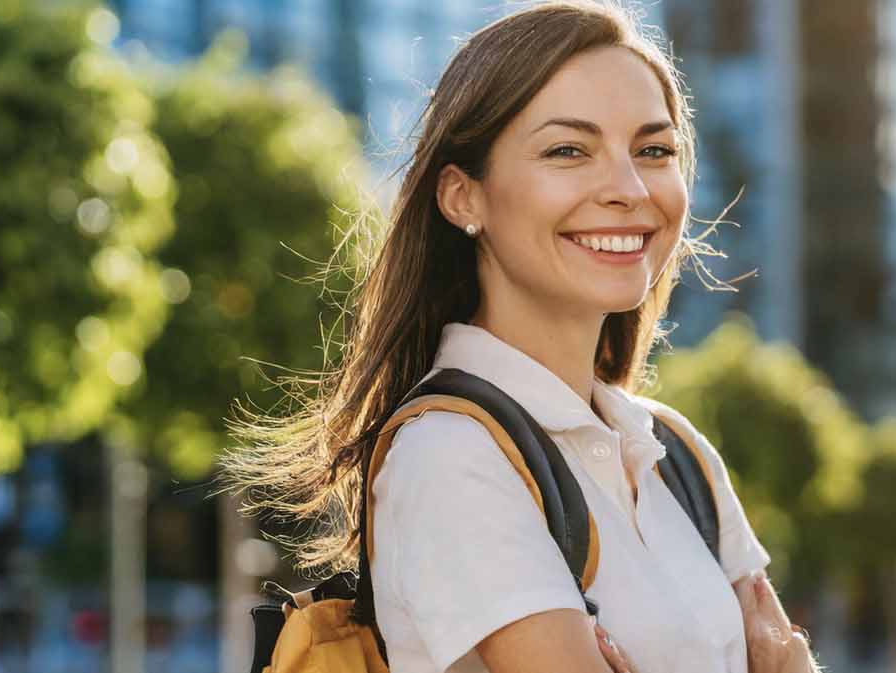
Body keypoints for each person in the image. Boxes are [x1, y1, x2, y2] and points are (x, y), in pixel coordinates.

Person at [224, 2, 821, 672]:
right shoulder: (450, 454)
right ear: (462, 197)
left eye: (653, 150)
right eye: (568, 150)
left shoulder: (679, 456)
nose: (628, 188)